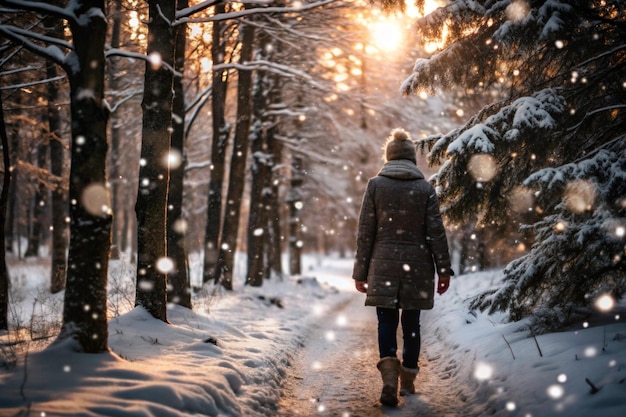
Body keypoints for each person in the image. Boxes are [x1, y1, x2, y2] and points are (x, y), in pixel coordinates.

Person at [352, 128, 453, 407]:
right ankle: (407, 378)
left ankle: (388, 380)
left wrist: (360, 273)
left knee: (386, 321)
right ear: (411, 159)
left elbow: (365, 233)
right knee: (411, 323)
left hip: (382, 264)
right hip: (418, 266)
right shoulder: (425, 188)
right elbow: (436, 232)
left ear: (388, 157)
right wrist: (443, 270)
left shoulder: (375, 185)